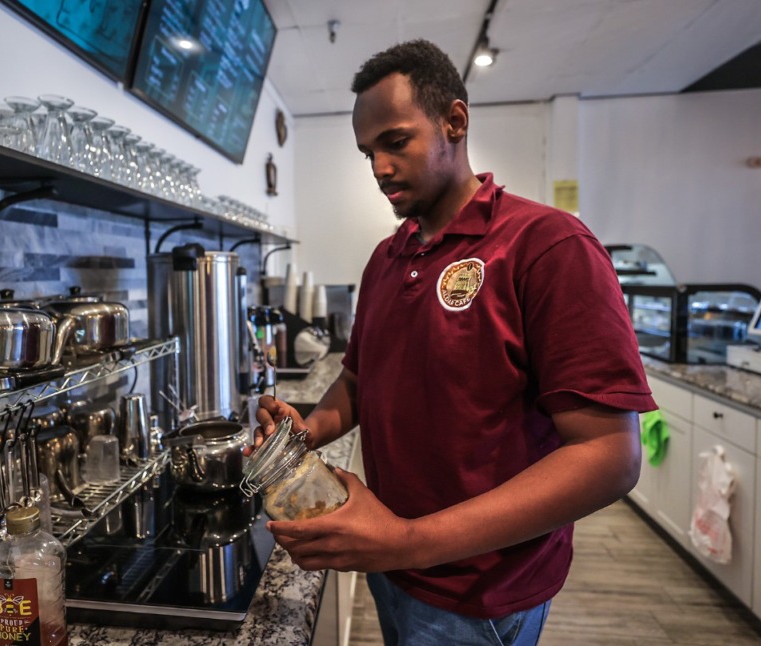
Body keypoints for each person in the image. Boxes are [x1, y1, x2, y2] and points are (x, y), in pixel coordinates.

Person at [249, 39, 657, 645]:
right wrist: (305, 430)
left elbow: (609, 457)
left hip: (480, 597)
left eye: (396, 141)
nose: (380, 168)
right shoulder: (387, 259)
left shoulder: (547, 245)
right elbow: (361, 381)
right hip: (393, 569)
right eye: (368, 153)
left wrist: (407, 540)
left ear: (454, 122)